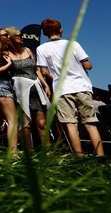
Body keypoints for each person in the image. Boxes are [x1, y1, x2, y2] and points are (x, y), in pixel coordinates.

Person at [35, 18, 104, 157]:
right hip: (81, 86)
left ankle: (79, 158)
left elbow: (43, 71)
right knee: (90, 123)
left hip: (62, 89)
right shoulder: (73, 44)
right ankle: (101, 157)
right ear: (60, 29)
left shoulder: (41, 49)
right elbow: (87, 64)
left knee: (70, 124)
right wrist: (88, 66)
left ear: (45, 33)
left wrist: (56, 78)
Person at [3, 26, 51, 149]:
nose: (21, 37)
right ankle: (28, 155)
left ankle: (49, 153)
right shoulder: (6, 54)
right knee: (25, 126)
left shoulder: (28, 50)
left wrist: (45, 85)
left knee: (42, 123)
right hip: (21, 92)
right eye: (18, 35)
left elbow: (37, 70)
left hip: (35, 89)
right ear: (11, 38)